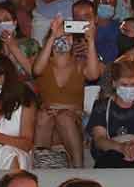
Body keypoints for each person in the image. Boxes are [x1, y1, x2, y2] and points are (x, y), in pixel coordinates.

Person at [33, 16, 101, 169]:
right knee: (44, 116)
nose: (63, 39)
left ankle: (78, 167)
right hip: (49, 116)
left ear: (73, 41)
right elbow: (36, 70)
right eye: (60, 35)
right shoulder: (44, 63)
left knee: (63, 117)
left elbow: (94, 74)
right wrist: (52, 36)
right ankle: (42, 167)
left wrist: (90, 41)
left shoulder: (79, 64)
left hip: (72, 118)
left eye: (67, 36)